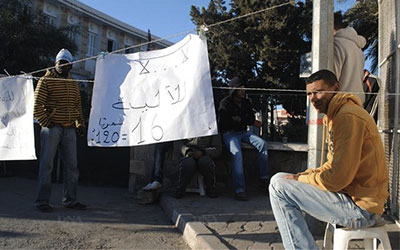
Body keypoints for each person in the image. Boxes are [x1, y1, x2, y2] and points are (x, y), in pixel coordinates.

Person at [269, 69, 388, 249]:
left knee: (279, 188)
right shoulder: (334, 116)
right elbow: (330, 166)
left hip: (362, 209)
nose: (313, 98)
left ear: (336, 87)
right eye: (309, 93)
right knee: (279, 179)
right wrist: (303, 175)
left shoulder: (347, 116)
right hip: (350, 197)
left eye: (318, 91)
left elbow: (336, 178)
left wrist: (301, 179)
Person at [34, 48, 86, 212]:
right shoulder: (45, 80)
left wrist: (80, 124)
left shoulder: (73, 83)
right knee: (47, 165)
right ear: (55, 63)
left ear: (71, 65)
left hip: (69, 129)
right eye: (61, 63)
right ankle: (42, 201)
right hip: (52, 128)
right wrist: (46, 122)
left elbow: (77, 105)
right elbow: (36, 106)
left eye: (67, 63)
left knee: (72, 167)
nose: (64, 66)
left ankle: (70, 200)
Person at [218, 77, 269, 201]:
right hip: (229, 134)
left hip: (243, 132)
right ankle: (239, 190)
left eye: (243, 87)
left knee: (262, 144)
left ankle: (264, 179)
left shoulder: (246, 103)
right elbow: (224, 122)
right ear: (234, 90)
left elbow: (250, 119)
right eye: (240, 88)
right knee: (237, 153)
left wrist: (238, 119)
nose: (243, 90)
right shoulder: (225, 103)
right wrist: (241, 119)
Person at [334, 11, 366, 104]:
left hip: (340, 104)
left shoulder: (336, 44)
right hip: (357, 102)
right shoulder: (357, 47)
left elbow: (331, 79)